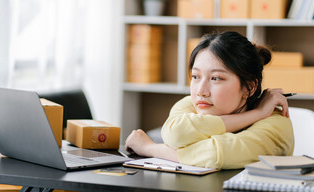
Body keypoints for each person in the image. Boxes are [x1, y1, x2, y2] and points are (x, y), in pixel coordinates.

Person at [125, 31, 294, 169]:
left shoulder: (277, 123)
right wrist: (256, 114)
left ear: (248, 87)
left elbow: (215, 155)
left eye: (215, 78)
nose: (200, 91)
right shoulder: (193, 103)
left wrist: (150, 148)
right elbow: (176, 134)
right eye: (195, 76)